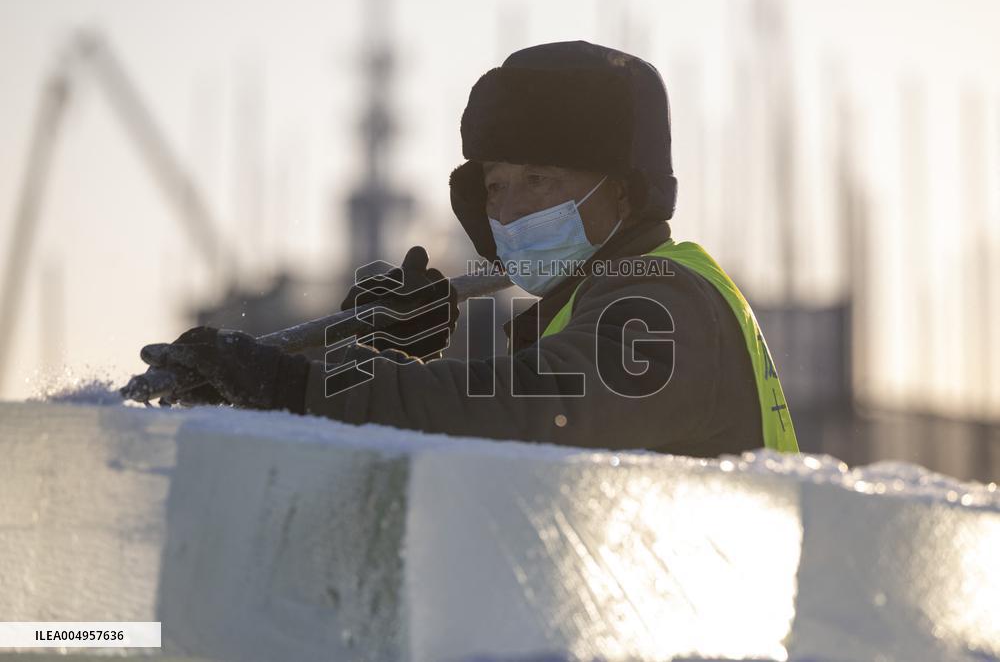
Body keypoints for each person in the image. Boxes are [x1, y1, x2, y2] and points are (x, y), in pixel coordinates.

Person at [140, 40, 798, 457]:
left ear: (622, 194)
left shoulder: (664, 304)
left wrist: (299, 383)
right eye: (495, 186)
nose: (508, 212)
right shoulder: (591, 305)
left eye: (539, 179)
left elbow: (524, 408)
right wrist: (394, 358)